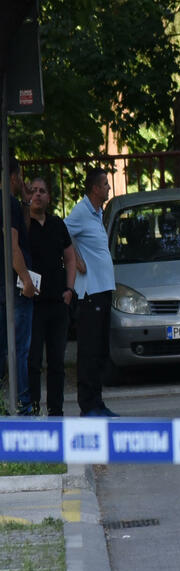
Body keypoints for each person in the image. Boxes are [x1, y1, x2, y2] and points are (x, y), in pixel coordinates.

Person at [64, 167, 118, 417]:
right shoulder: (81, 211)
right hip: (90, 293)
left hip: (103, 290)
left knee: (100, 350)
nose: (109, 188)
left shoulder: (97, 213)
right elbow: (62, 233)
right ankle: (88, 406)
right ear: (95, 188)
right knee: (89, 351)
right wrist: (75, 259)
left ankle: (97, 403)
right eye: (105, 184)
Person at [27, 177, 76, 416]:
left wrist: (69, 290)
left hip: (58, 303)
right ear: (27, 196)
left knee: (56, 362)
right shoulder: (22, 225)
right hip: (32, 304)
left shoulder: (57, 224)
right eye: (33, 190)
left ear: (49, 197)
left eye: (42, 191)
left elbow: (70, 257)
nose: (37, 194)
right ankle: (33, 410)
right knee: (33, 361)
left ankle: (56, 412)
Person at [0, 157, 36, 415]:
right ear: (13, 177)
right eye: (20, 176)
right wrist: (26, 280)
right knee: (18, 350)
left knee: (6, 349)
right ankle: (23, 406)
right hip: (14, 288)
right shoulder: (8, 202)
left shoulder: (13, 204)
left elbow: (23, 230)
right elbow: (14, 246)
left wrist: (25, 201)